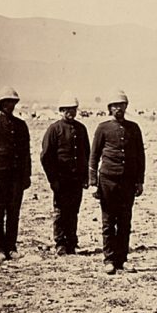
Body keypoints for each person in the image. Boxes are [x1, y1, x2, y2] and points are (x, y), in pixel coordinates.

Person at [88, 90, 145, 275]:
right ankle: (109, 259)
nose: (118, 109)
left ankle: (123, 260)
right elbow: (94, 157)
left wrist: (139, 181)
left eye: (121, 105)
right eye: (114, 106)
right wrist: (93, 183)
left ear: (126, 107)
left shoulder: (134, 128)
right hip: (107, 181)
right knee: (108, 221)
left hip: (128, 182)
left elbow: (140, 156)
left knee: (125, 221)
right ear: (109, 109)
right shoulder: (103, 128)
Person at [0, 86, 31, 261]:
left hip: (17, 175)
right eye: (6, 102)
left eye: (12, 102)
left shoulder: (21, 125)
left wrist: (26, 176)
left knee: (14, 212)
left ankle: (11, 247)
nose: (10, 105)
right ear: (1, 104)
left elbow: (26, 153)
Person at [40, 91, 90, 256]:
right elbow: (46, 156)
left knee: (74, 211)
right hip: (61, 179)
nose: (71, 113)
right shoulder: (54, 129)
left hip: (76, 179)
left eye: (73, 109)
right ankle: (60, 243)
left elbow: (86, 154)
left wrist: (85, 177)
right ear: (61, 111)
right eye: (67, 109)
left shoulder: (81, 129)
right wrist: (53, 179)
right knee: (61, 211)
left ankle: (71, 242)